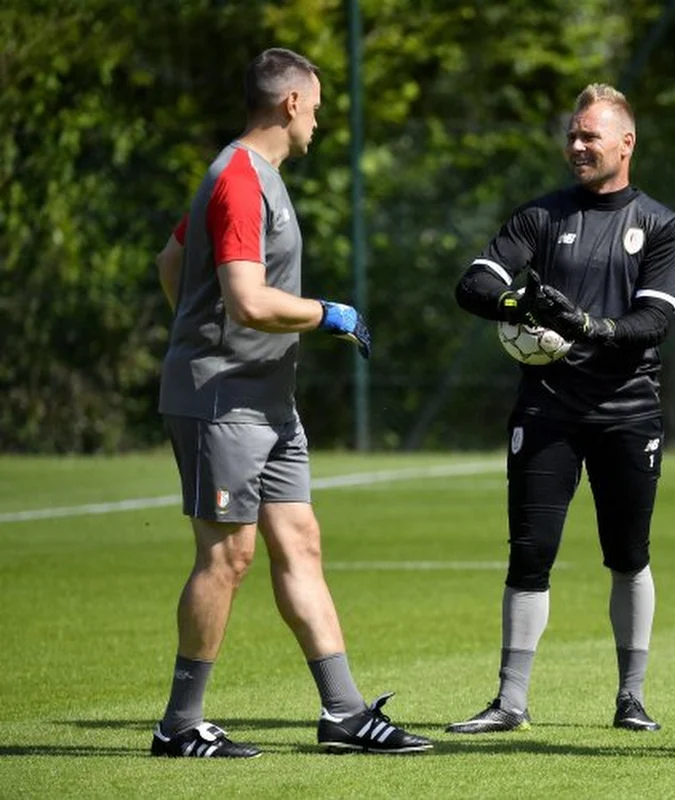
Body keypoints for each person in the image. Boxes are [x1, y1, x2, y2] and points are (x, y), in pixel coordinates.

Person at [151, 47, 431, 758]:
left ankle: (343, 713)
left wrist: (197, 329)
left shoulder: (256, 176)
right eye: (318, 107)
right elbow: (246, 300)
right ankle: (179, 726)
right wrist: (326, 314)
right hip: (225, 404)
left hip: (268, 402)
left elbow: (171, 266)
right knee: (228, 557)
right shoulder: (240, 180)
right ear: (292, 104)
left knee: (299, 541)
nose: (320, 122)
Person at [449, 83, 675, 734]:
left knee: (627, 555)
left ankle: (631, 698)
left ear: (625, 143)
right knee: (529, 553)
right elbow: (475, 283)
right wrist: (516, 308)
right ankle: (510, 703)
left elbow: (652, 323)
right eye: (573, 135)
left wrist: (583, 325)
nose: (577, 145)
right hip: (547, 410)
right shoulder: (541, 216)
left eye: (590, 135)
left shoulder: (663, 226)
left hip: (627, 411)